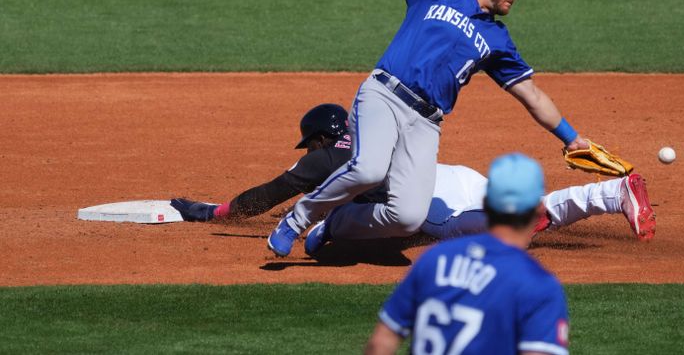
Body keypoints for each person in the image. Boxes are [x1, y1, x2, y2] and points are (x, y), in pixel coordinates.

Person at [266, 0, 605, 257]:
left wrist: (571, 137)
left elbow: (532, 95)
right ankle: (296, 220)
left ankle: (335, 224)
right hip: (385, 93)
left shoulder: (498, 41)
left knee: (407, 217)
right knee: (368, 170)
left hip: (426, 122)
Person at [171, 104, 656, 245]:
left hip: (440, 207)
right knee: (523, 217)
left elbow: (273, 192)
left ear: (320, 138)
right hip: (451, 178)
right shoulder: (372, 132)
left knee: (525, 220)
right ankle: (610, 196)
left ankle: (612, 193)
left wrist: (218, 211)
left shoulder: (326, 157)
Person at [365, 153, 570, 355]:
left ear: (487, 202)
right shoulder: (537, 285)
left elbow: (380, 343)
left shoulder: (435, 259)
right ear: (539, 208)